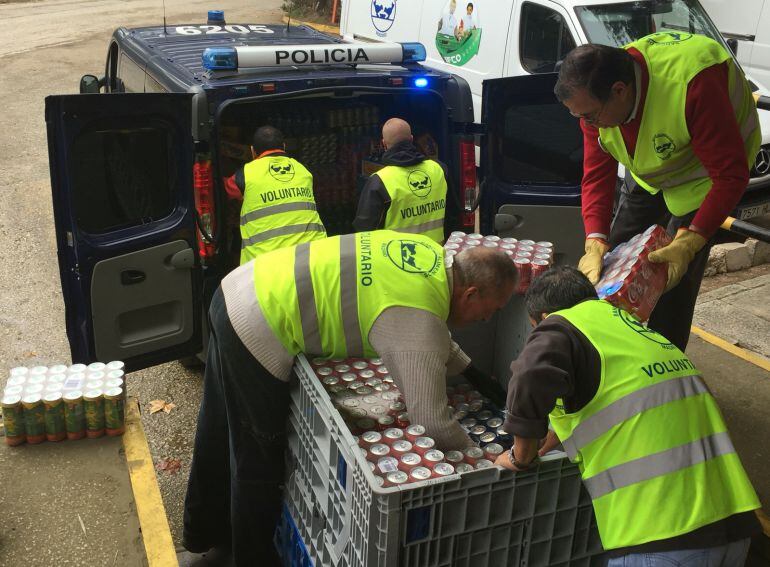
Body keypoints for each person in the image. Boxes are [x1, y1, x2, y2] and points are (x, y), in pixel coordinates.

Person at [182, 230, 513, 566]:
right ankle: (252, 559)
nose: (485, 320)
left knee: (218, 421)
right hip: (258, 322)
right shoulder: (417, 317)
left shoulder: (430, 258)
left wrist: (473, 373)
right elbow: (433, 424)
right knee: (257, 454)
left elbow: (431, 332)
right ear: (470, 293)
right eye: (488, 311)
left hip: (242, 285)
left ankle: (202, 530)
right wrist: (487, 459)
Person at [496, 266, 761, 566]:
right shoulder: (634, 332)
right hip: (735, 529)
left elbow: (530, 373)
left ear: (544, 317)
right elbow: (611, 402)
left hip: (663, 536)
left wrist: (521, 455)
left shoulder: (562, 325)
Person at [554, 34, 761, 351]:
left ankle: (664, 364)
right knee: (613, 262)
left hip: (705, 179)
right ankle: (605, 353)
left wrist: (692, 239)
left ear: (619, 91)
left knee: (670, 281)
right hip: (651, 172)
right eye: (578, 115)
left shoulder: (693, 84)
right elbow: (597, 173)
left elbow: (730, 175)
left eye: (589, 115)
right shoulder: (596, 92)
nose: (587, 123)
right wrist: (595, 239)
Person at [223, 125, 326, 264]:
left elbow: (225, 191)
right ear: (284, 146)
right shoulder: (304, 172)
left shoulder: (244, 176)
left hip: (265, 264)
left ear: (253, 151)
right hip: (311, 257)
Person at [353, 118, 449, 243]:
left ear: (384, 144)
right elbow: (451, 214)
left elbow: (364, 231)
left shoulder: (379, 181)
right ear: (411, 139)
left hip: (396, 259)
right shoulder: (439, 169)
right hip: (434, 256)